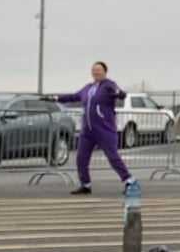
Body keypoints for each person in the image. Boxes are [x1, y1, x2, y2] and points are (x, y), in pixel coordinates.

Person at [50, 61, 132, 196]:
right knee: (81, 157)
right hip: (88, 130)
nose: (96, 72)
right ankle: (85, 184)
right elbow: (73, 97)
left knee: (113, 157)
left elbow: (122, 95)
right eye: (94, 70)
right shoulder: (87, 88)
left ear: (105, 72)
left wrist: (116, 92)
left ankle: (129, 181)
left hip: (104, 129)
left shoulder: (108, 85)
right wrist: (55, 98)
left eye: (99, 70)